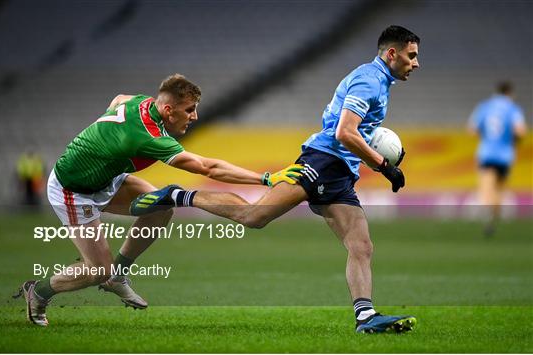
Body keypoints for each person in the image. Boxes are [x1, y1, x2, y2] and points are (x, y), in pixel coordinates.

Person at [132, 25, 420, 333]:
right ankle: (178, 195)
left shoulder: (379, 82)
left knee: (361, 245)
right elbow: (344, 132)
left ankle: (366, 317)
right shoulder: (369, 81)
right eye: (411, 55)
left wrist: (375, 162)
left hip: (340, 172)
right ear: (392, 53)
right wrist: (382, 164)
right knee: (254, 216)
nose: (415, 63)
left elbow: (353, 133)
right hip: (323, 162)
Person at [16, 74, 303, 326]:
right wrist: (266, 179)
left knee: (162, 207)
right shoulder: (148, 137)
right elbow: (208, 167)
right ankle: (38, 292)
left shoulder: (142, 104)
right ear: (168, 109)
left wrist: (104, 140)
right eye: (189, 110)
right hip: (75, 192)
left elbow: (119, 99)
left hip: (108, 179)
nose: (194, 117)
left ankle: (118, 277)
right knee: (96, 269)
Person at [468, 81, 527, 236]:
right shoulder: (513, 109)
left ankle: (487, 216)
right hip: (505, 155)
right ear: (509, 93)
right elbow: (520, 131)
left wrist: (487, 136)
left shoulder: (485, 106)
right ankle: (493, 221)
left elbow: (472, 129)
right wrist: (511, 141)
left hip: (487, 153)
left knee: (487, 187)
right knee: (500, 190)